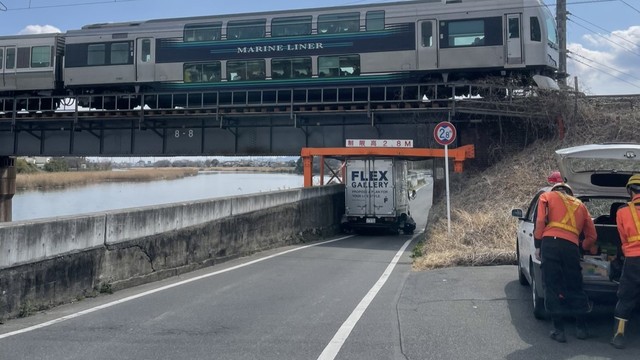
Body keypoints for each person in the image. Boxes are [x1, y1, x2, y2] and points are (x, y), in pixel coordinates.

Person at [534, 182, 597, 343]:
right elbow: (592, 236)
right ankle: (581, 328)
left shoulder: (547, 196)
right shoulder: (581, 206)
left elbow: (540, 221)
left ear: (556, 190)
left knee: (551, 285)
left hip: (550, 243)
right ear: (570, 193)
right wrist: (582, 247)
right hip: (571, 246)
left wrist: (538, 244)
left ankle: (558, 330)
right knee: (575, 285)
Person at [610, 174, 640, 349]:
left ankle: (619, 335)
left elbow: (622, 239)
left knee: (626, 298)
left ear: (630, 191)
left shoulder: (622, 211)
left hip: (633, 261)